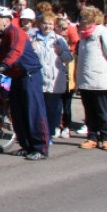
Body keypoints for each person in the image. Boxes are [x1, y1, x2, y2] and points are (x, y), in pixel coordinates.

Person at [0, 5, 49, 160]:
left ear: (6, 21)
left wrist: (3, 66)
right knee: (17, 113)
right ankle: (26, 145)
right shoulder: (1, 37)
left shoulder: (16, 33)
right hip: (16, 77)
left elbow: (15, 52)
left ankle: (40, 148)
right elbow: (1, 57)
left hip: (29, 76)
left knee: (33, 112)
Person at [74, 6, 107, 150]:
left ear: (94, 19)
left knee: (102, 111)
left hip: (101, 80)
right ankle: (92, 137)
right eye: (82, 18)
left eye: (86, 19)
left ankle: (106, 138)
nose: (82, 21)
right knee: (89, 111)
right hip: (86, 81)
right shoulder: (83, 36)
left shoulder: (102, 33)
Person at [35, 12, 73, 145]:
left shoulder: (59, 40)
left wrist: (61, 52)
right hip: (38, 80)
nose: (47, 26)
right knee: (38, 109)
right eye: (45, 23)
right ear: (39, 24)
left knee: (52, 110)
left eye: (50, 24)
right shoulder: (33, 38)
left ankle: (49, 134)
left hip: (53, 81)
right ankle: (39, 133)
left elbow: (69, 58)